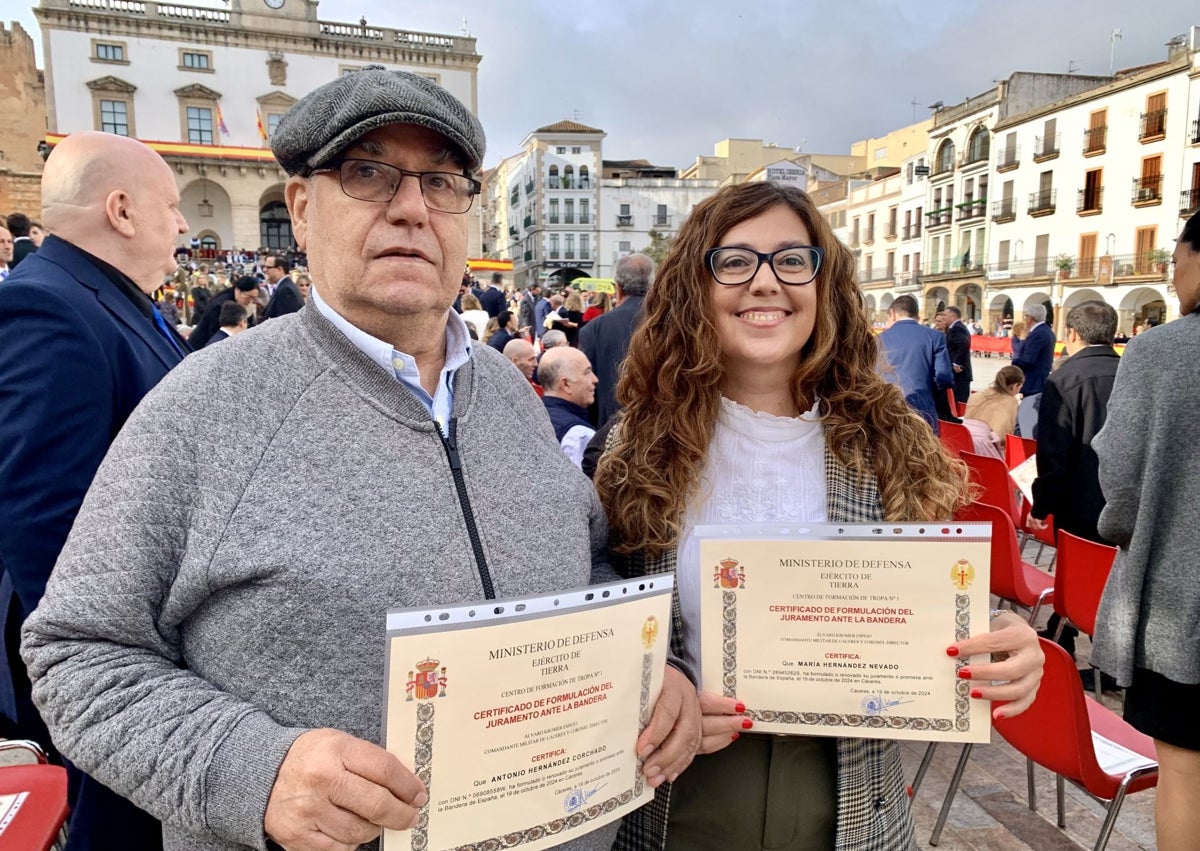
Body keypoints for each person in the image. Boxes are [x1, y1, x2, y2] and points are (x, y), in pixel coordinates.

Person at [20, 68, 697, 851]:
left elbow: (588, 573)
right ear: (302, 210)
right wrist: (254, 769)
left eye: (441, 181)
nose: (411, 207)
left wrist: (653, 670)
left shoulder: (510, 399)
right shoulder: (202, 408)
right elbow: (76, 653)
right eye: (368, 173)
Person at [594, 181, 1043, 851]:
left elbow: (923, 619)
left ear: (823, 284)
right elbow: (603, 614)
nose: (766, 283)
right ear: (697, 285)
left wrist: (1005, 643)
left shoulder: (891, 444)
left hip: (853, 808)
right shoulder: (639, 451)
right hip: (674, 806)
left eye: (792, 260)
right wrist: (651, 677)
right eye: (736, 260)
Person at [0, 129, 191, 850]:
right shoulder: (50, 307)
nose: (181, 223)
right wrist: (108, 668)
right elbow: (47, 514)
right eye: (169, 206)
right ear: (120, 209)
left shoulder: (116, 299)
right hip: (114, 662)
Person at [1091, 210, 1200, 851]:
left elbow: (1123, 484)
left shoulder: (1160, 351)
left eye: (1178, 257)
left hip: (1177, 603)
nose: (1172, 272)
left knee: (1184, 771)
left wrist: (1126, 528)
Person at [579, 253, 653, 429]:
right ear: (652, 286)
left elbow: (586, 385)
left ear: (617, 289)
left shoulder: (593, 329)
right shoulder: (676, 323)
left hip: (611, 432)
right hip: (667, 433)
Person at [877, 293, 954, 432]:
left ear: (893, 314)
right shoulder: (935, 337)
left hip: (885, 411)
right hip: (922, 411)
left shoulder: (877, 340)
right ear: (916, 315)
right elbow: (944, 377)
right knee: (922, 451)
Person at [539, 346, 598, 467]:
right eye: (587, 372)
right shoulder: (579, 436)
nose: (595, 379)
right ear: (566, 384)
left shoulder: (531, 418)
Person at [1012, 303, 1055, 438]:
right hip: (1040, 380)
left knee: (1024, 425)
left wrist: (1016, 359)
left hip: (1033, 383)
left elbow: (1028, 360)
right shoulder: (1048, 331)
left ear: (1030, 318)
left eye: (1026, 317)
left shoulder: (1036, 334)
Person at [962, 365, 1024, 453]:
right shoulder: (1010, 402)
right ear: (1015, 385)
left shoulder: (977, 395)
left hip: (963, 438)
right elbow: (1005, 435)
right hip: (983, 445)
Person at [188, 275, 260, 349]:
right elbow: (215, 334)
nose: (250, 301)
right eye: (249, 297)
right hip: (202, 347)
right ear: (238, 291)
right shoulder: (220, 306)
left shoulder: (240, 303)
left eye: (254, 298)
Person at [943, 305, 973, 405]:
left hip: (960, 374)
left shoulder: (958, 328)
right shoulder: (954, 328)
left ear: (953, 315)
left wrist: (957, 363)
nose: (944, 317)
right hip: (957, 374)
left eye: (945, 315)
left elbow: (964, 344)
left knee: (959, 402)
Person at [262, 255, 303, 319]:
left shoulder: (286, 291)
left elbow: (285, 323)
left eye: (268, 267)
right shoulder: (284, 286)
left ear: (279, 269)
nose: (264, 270)